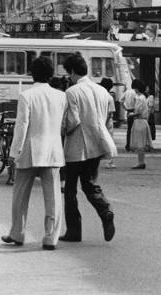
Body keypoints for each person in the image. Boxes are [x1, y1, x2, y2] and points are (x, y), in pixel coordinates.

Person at [1, 56, 67, 251]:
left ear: (31, 73)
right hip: (53, 149)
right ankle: (50, 238)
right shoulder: (61, 96)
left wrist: (14, 152)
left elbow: (21, 127)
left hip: (29, 149)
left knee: (20, 195)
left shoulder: (26, 95)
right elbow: (65, 124)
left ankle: (17, 233)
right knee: (53, 196)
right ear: (51, 74)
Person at [61, 54, 116, 243]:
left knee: (70, 189)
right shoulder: (102, 91)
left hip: (77, 146)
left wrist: (61, 130)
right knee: (90, 184)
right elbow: (109, 119)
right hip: (97, 144)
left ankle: (74, 231)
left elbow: (73, 121)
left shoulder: (72, 92)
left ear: (73, 71)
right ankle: (105, 210)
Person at [128, 79, 151, 169]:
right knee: (141, 142)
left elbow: (137, 112)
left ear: (137, 89)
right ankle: (141, 161)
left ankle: (140, 162)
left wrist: (131, 114)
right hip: (143, 121)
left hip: (139, 121)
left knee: (140, 143)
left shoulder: (139, 98)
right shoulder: (144, 98)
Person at [100, 78, 117, 169]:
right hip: (107, 122)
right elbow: (110, 113)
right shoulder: (110, 97)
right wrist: (105, 122)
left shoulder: (99, 96)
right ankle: (110, 161)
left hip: (99, 120)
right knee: (110, 141)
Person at [120, 81, 138, 151]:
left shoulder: (127, 92)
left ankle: (128, 145)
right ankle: (133, 145)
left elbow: (121, 101)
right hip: (134, 111)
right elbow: (137, 102)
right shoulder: (135, 93)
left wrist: (125, 108)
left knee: (129, 130)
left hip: (128, 111)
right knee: (135, 129)